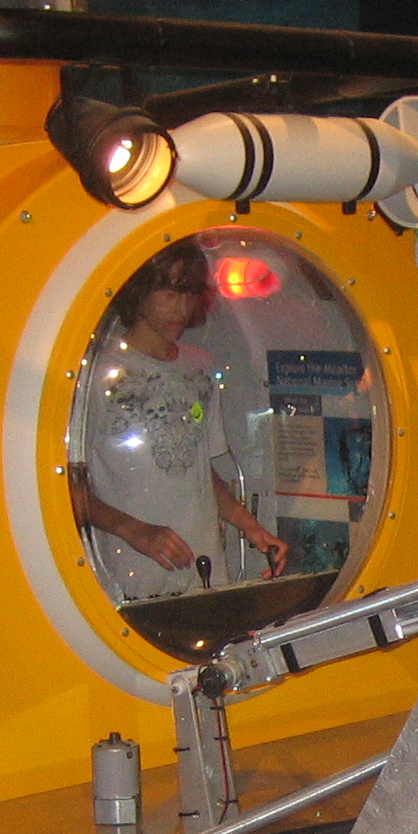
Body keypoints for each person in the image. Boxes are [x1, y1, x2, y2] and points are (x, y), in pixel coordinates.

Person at [73, 243, 288, 598]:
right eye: (170, 293)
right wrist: (132, 529)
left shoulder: (200, 367)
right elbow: (67, 487)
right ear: (139, 291)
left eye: (189, 293)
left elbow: (198, 471)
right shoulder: (95, 373)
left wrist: (250, 526)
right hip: (128, 573)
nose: (182, 307)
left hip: (204, 566)